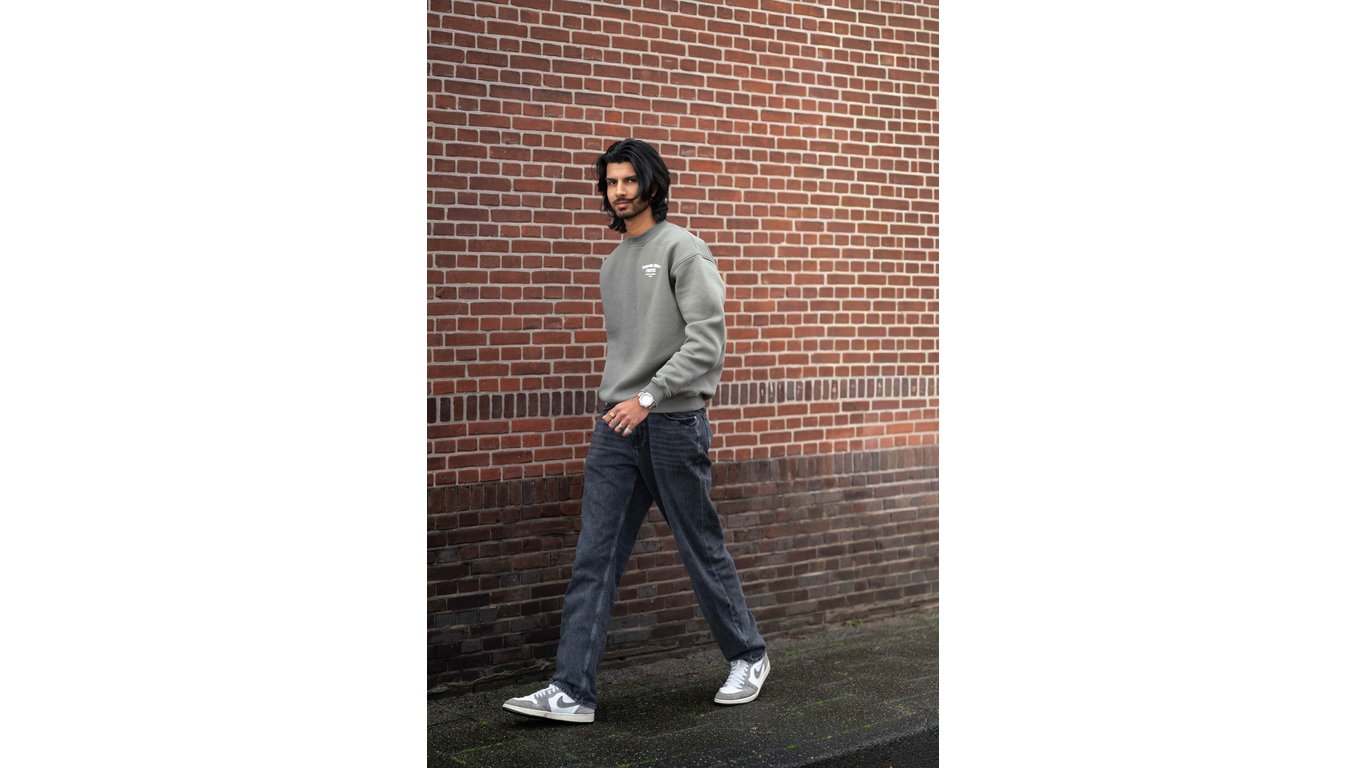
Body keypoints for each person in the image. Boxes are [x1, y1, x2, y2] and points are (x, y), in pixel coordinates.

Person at [502, 138, 769, 724]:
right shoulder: (612, 263)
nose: (619, 192)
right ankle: (572, 691)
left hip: (671, 423)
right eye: (611, 182)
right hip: (617, 426)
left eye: (629, 180)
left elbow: (706, 342)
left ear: (652, 184)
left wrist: (649, 396)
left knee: (699, 547)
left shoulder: (684, 250)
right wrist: (627, 402)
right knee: (594, 556)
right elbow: (628, 349)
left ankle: (749, 656)